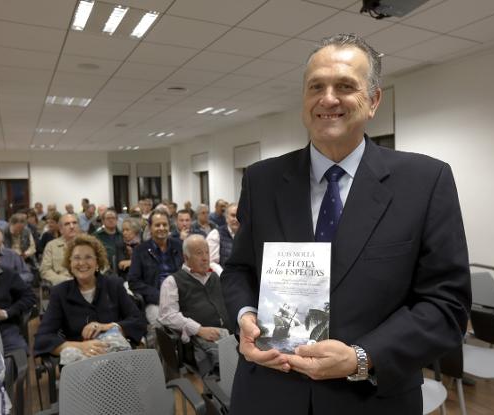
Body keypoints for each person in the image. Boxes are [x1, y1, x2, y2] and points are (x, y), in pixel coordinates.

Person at [220, 34, 471, 414]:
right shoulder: (262, 179)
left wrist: (361, 356)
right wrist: (245, 316)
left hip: (371, 398)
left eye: (345, 86)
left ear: (373, 100)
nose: (328, 98)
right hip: (269, 393)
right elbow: (238, 269)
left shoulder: (425, 182)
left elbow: (445, 305)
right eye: (316, 87)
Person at [33, 234, 146, 356]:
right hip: (81, 362)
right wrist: (80, 346)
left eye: (88, 257)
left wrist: (107, 327)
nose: (82, 263)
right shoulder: (60, 293)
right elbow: (43, 338)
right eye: (76, 258)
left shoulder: (114, 285)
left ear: (97, 262)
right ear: (70, 263)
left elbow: (138, 321)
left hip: (116, 356)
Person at [158, 235, 230, 375]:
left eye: (207, 252)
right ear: (186, 258)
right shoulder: (172, 282)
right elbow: (167, 315)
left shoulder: (215, 276)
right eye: (199, 253)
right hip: (198, 340)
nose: (205, 258)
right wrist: (199, 329)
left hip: (228, 334)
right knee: (223, 363)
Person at [128, 209, 184, 346]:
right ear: (150, 228)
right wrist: (160, 296)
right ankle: (162, 362)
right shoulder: (140, 251)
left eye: (164, 225)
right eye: (157, 225)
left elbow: (186, 272)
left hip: (180, 296)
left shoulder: (179, 245)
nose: (161, 228)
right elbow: (133, 281)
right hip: (155, 299)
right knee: (160, 328)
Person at [40, 213, 78, 285]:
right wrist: (63, 280)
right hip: (63, 284)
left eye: (74, 223)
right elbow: (45, 270)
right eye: (67, 224)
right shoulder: (51, 246)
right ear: (60, 229)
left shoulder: (89, 243)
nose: (72, 226)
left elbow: (100, 266)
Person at [207, 203, 239, 271]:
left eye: (239, 215)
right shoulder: (216, 234)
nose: (236, 219)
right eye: (233, 215)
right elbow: (212, 263)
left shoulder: (248, 235)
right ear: (226, 218)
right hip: (223, 277)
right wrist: (223, 276)